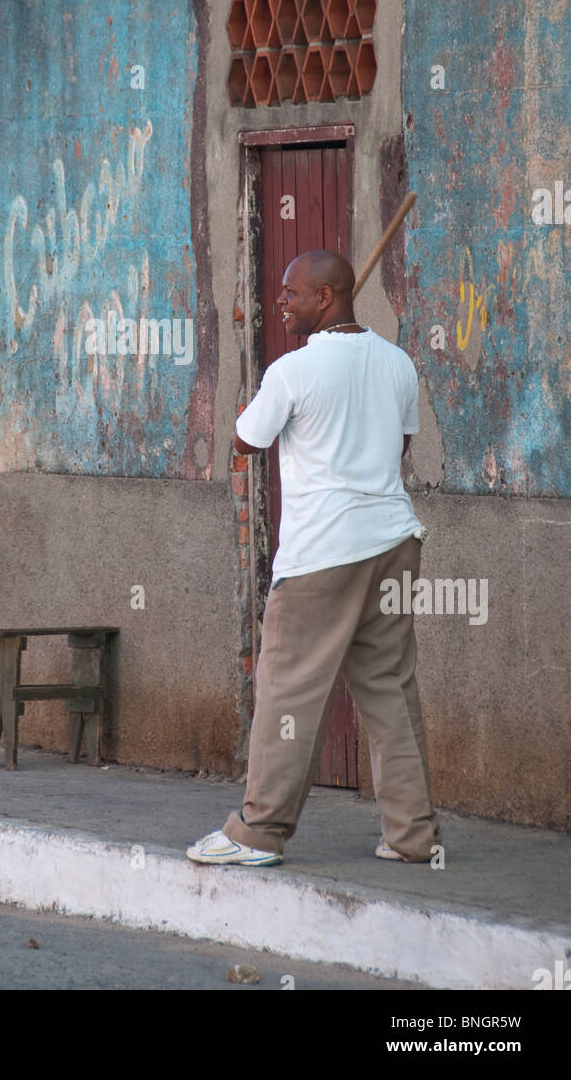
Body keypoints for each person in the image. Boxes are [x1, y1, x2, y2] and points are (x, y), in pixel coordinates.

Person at [187, 249, 441, 867]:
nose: (282, 301)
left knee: (288, 693)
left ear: (326, 297)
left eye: (292, 293)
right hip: (393, 543)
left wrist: (281, 399)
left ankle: (257, 833)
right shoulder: (399, 364)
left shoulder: (292, 371)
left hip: (323, 554)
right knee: (389, 689)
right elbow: (399, 443)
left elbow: (246, 441)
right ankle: (413, 838)